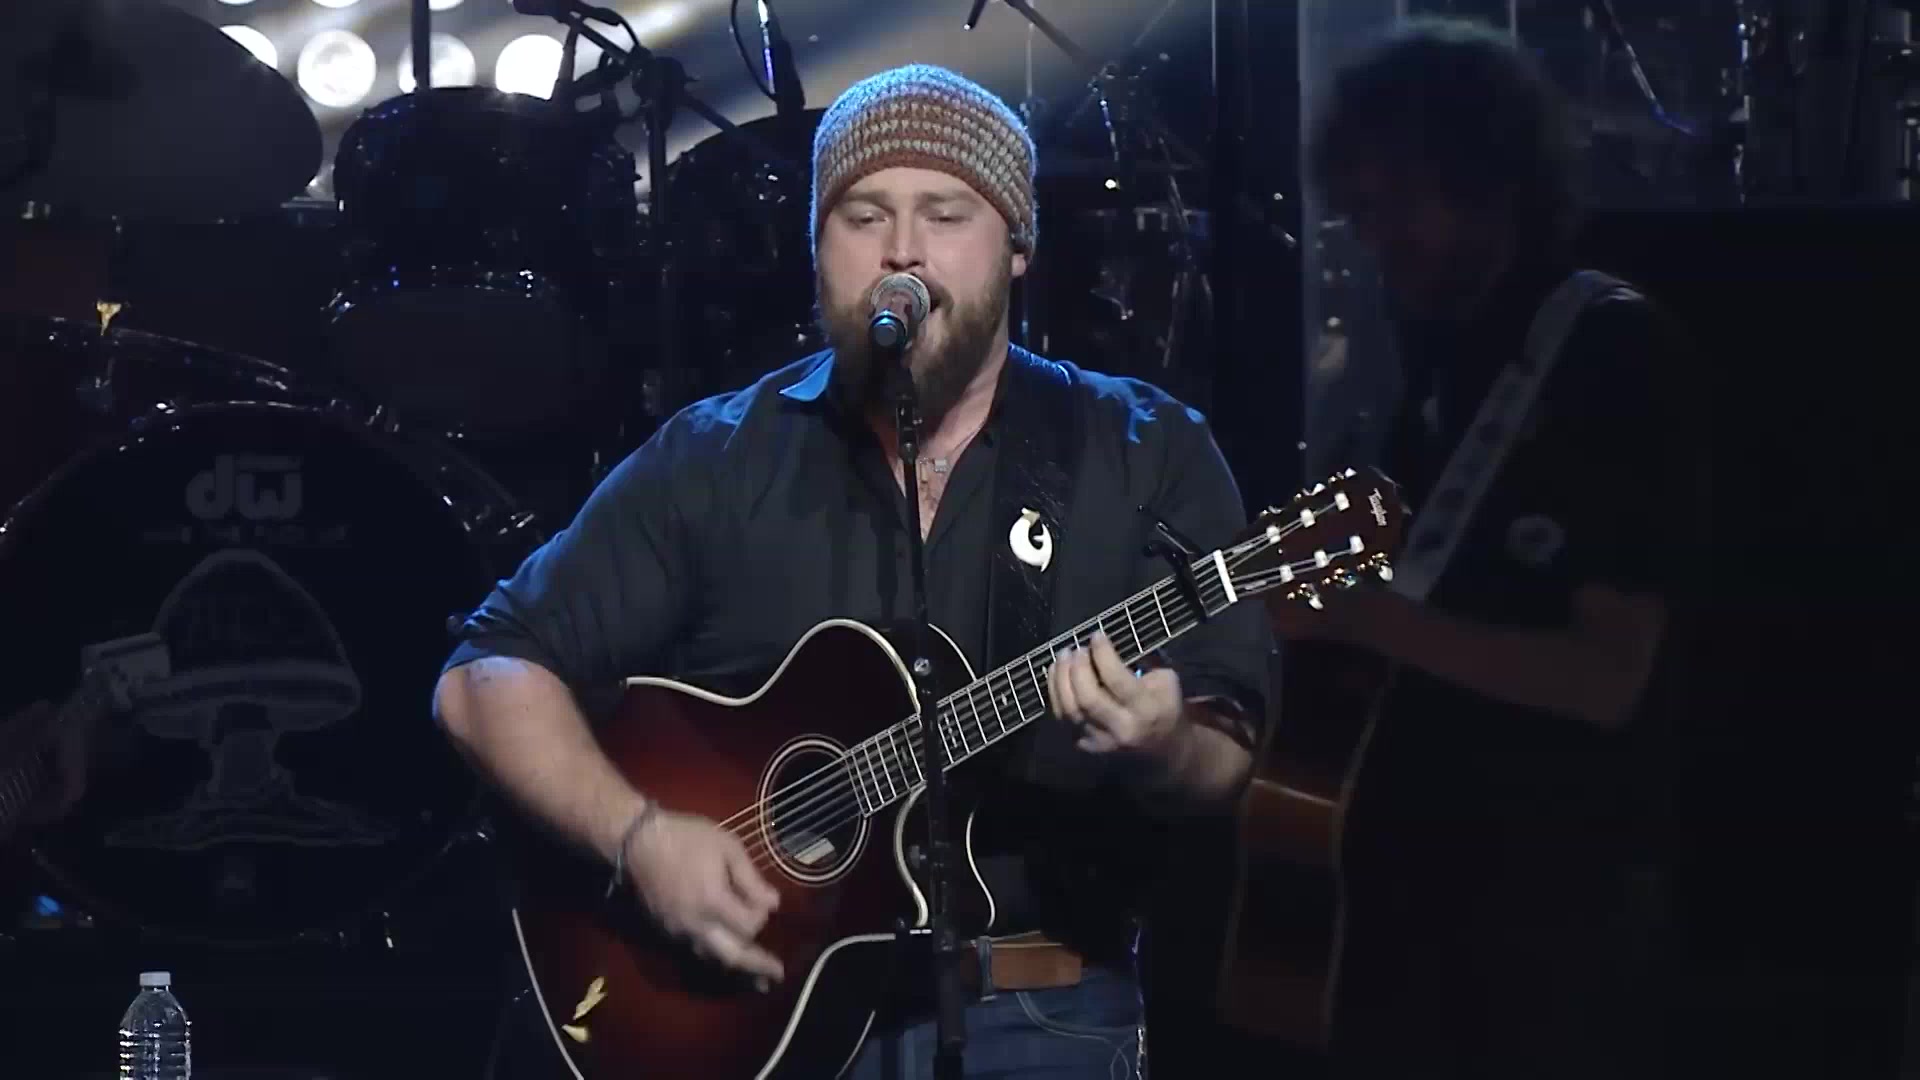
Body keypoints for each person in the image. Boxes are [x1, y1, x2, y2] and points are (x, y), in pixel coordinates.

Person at [433, 63, 1272, 1079]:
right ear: (818, 250)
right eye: (864, 215)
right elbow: (486, 676)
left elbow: (1226, 757)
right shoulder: (718, 455)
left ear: (1018, 247)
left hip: (1038, 1009)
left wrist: (1162, 740)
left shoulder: (1144, 449)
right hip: (747, 1006)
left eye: (946, 214)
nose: (902, 249)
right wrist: (640, 837)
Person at [1274, 17, 1697, 1080]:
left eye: (1398, 202)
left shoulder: (1611, 353)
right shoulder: (1439, 361)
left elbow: (1605, 678)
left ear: (1489, 176)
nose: (1377, 238)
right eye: (1361, 211)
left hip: (1551, 910)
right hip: (1418, 899)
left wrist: (1368, 618)